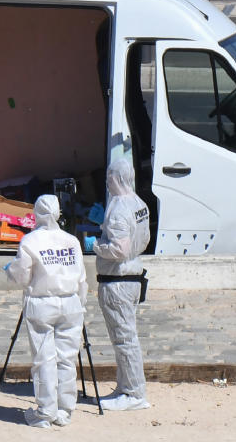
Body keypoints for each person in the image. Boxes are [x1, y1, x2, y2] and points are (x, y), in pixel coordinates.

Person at [4, 195, 89, 428]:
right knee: (67, 359)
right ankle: (64, 410)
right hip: (71, 303)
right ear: (58, 213)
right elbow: (82, 278)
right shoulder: (71, 240)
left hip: (42, 303)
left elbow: (21, 276)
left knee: (44, 359)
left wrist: (9, 271)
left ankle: (45, 412)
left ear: (36, 213)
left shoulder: (30, 241)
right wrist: (80, 305)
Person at [84, 158, 152, 411]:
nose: (106, 182)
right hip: (133, 277)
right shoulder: (139, 204)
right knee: (127, 337)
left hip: (117, 281)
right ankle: (126, 388)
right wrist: (104, 225)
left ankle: (134, 394)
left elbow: (119, 249)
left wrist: (96, 246)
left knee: (124, 340)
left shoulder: (119, 208)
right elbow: (140, 239)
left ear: (117, 178)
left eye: (109, 178)